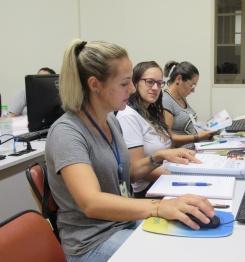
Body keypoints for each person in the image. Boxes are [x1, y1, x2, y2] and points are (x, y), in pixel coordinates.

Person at [45, 39, 215, 261]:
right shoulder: (67, 133)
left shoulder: (109, 120)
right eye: (125, 83)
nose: (133, 89)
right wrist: (158, 207)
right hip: (92, 242)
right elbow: (91, 202)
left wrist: (157, 157)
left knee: (192, 239)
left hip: (122, 224)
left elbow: (128, 173)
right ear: (95, 84)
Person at [117, 61, 171, 198]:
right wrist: (178, 174)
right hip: (147, 191)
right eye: (149, 82)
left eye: (159, 83)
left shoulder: (151, 112)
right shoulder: (128, 115)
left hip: (162, 181)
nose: (155, 87)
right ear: (135, 83)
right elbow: (136, 171)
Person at [162, 61, 215, 147]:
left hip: (195, 147)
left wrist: (206, 130)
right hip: (183, 153)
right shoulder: (165, 101)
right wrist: (197, 137)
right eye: (192, 85)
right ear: (179, 79)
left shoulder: (181, 97)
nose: (193, 90)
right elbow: (168, 139)